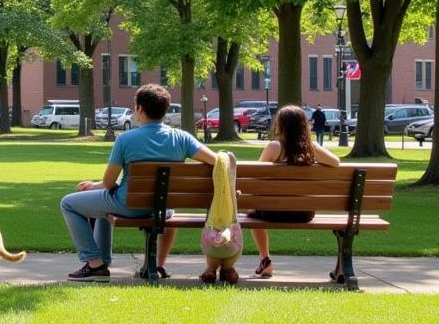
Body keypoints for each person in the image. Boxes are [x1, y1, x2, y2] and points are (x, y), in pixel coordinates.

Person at [60, 84, 216, 280]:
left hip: (129, 205)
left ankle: (95, 263)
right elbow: (216, 160)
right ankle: (158, 265)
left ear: (139, 109)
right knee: (109, 203)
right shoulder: (182, 138)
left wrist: (95, 185)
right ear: (165, 110)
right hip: (164, 208)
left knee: (68, 203)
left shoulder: (125, 139)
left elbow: (108, 184)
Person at [250, 104, 340, 278]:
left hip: (272, 213)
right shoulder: (311, 148)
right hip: (304, 213)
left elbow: (255, 177)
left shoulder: (274, 147)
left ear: (280, 124)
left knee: (250, 210)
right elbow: (336, 162)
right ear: (303, 125)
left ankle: (265, 259)